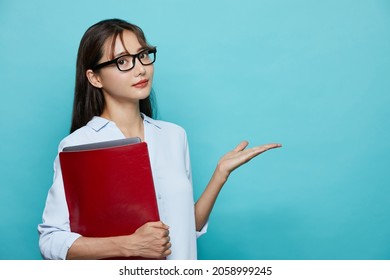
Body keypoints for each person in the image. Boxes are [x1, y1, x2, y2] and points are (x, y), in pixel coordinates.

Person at [38, 18, 282, 260]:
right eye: (122, 61)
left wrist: (220, 174)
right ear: (95, 78)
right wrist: (129, 246)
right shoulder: (78, 146)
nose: (140, 68)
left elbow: (185, 230)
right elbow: (51, 240)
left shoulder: (174, 135)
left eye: (143, 55)